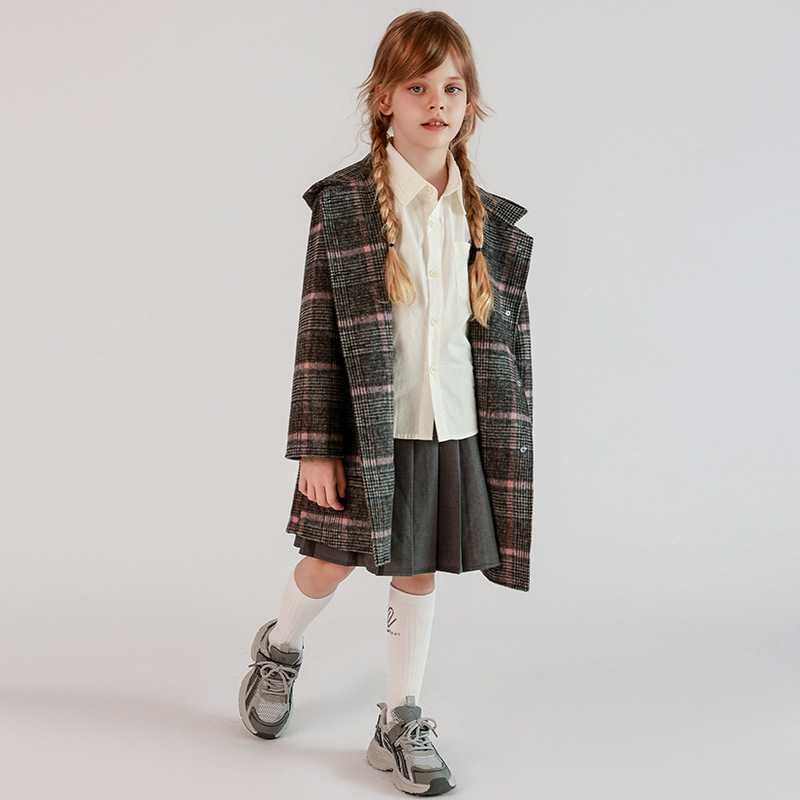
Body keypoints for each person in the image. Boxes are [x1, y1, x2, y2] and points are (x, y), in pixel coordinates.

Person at [238, 10, 533, 796]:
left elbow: (496, 347)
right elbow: (316, 332)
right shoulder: (343, 207)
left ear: (469, 102)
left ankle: (399, 719)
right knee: (329, 561)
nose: (437, 102)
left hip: (449, 426)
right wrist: (316, 445)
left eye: (453, 88)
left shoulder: (489, 220)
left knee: (419, 570)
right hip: (369, 428)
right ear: (383, 99)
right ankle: (279, 648)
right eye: (418, 87)